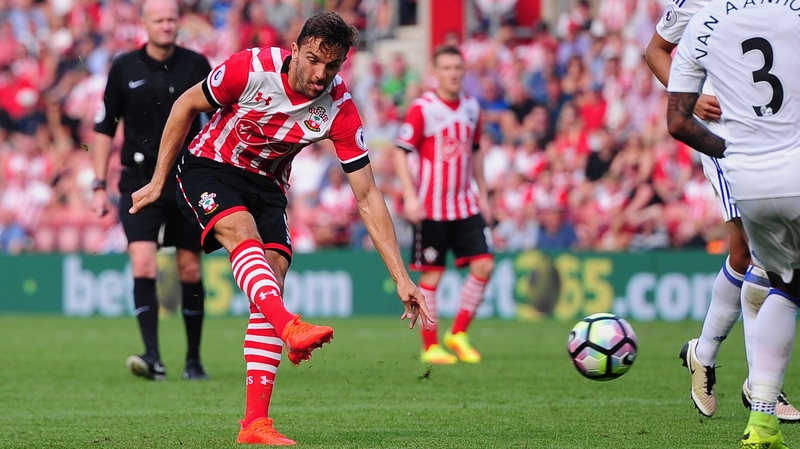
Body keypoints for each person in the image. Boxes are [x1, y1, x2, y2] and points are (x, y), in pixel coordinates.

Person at [128, 11, 432, 445]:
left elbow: (367, 196)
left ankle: (255, 424)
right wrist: (158, 180)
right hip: (210, 166)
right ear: (294, 50)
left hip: (268, 184)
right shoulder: (249, 69)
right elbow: (185, 105)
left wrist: (402, 278)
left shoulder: (340, 108)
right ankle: (288, 325)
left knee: (273, 276)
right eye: (312, 60)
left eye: (332, 66)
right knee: (243, 234)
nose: (320, 74)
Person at [645, 0, 799, 421]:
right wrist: (690, 99)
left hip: (777, 136)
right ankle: (763, 386)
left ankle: (704, 353)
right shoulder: (696, 4)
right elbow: (655, 50)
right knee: (758, 253)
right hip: (725, 135)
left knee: (743, 255)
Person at [92, 0, 212, 381]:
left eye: (172, 19)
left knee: (190, 268)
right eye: (158, 19)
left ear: (180, 23)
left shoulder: (197, 65)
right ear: (143, 23)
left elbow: (216, 121)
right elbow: (104, 129)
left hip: (185, 179)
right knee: (142, 262)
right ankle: (153, 357)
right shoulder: (124, 67)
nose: (166, 25)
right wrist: (98, 185)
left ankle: (193, 361)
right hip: (139, 180)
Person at [394, 45, 494, 365]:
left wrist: (484, 194)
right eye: (447, 68)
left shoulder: (472, 108)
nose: (453, 73)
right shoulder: (423, 108)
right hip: (431, 207)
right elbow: (400, 152)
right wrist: (410, 196)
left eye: (458, 68)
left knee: (484, 265)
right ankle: (430, 345)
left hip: (465, 204)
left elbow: (475, 151)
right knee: (432, 277)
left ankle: (459, 333)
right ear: (434, 73)